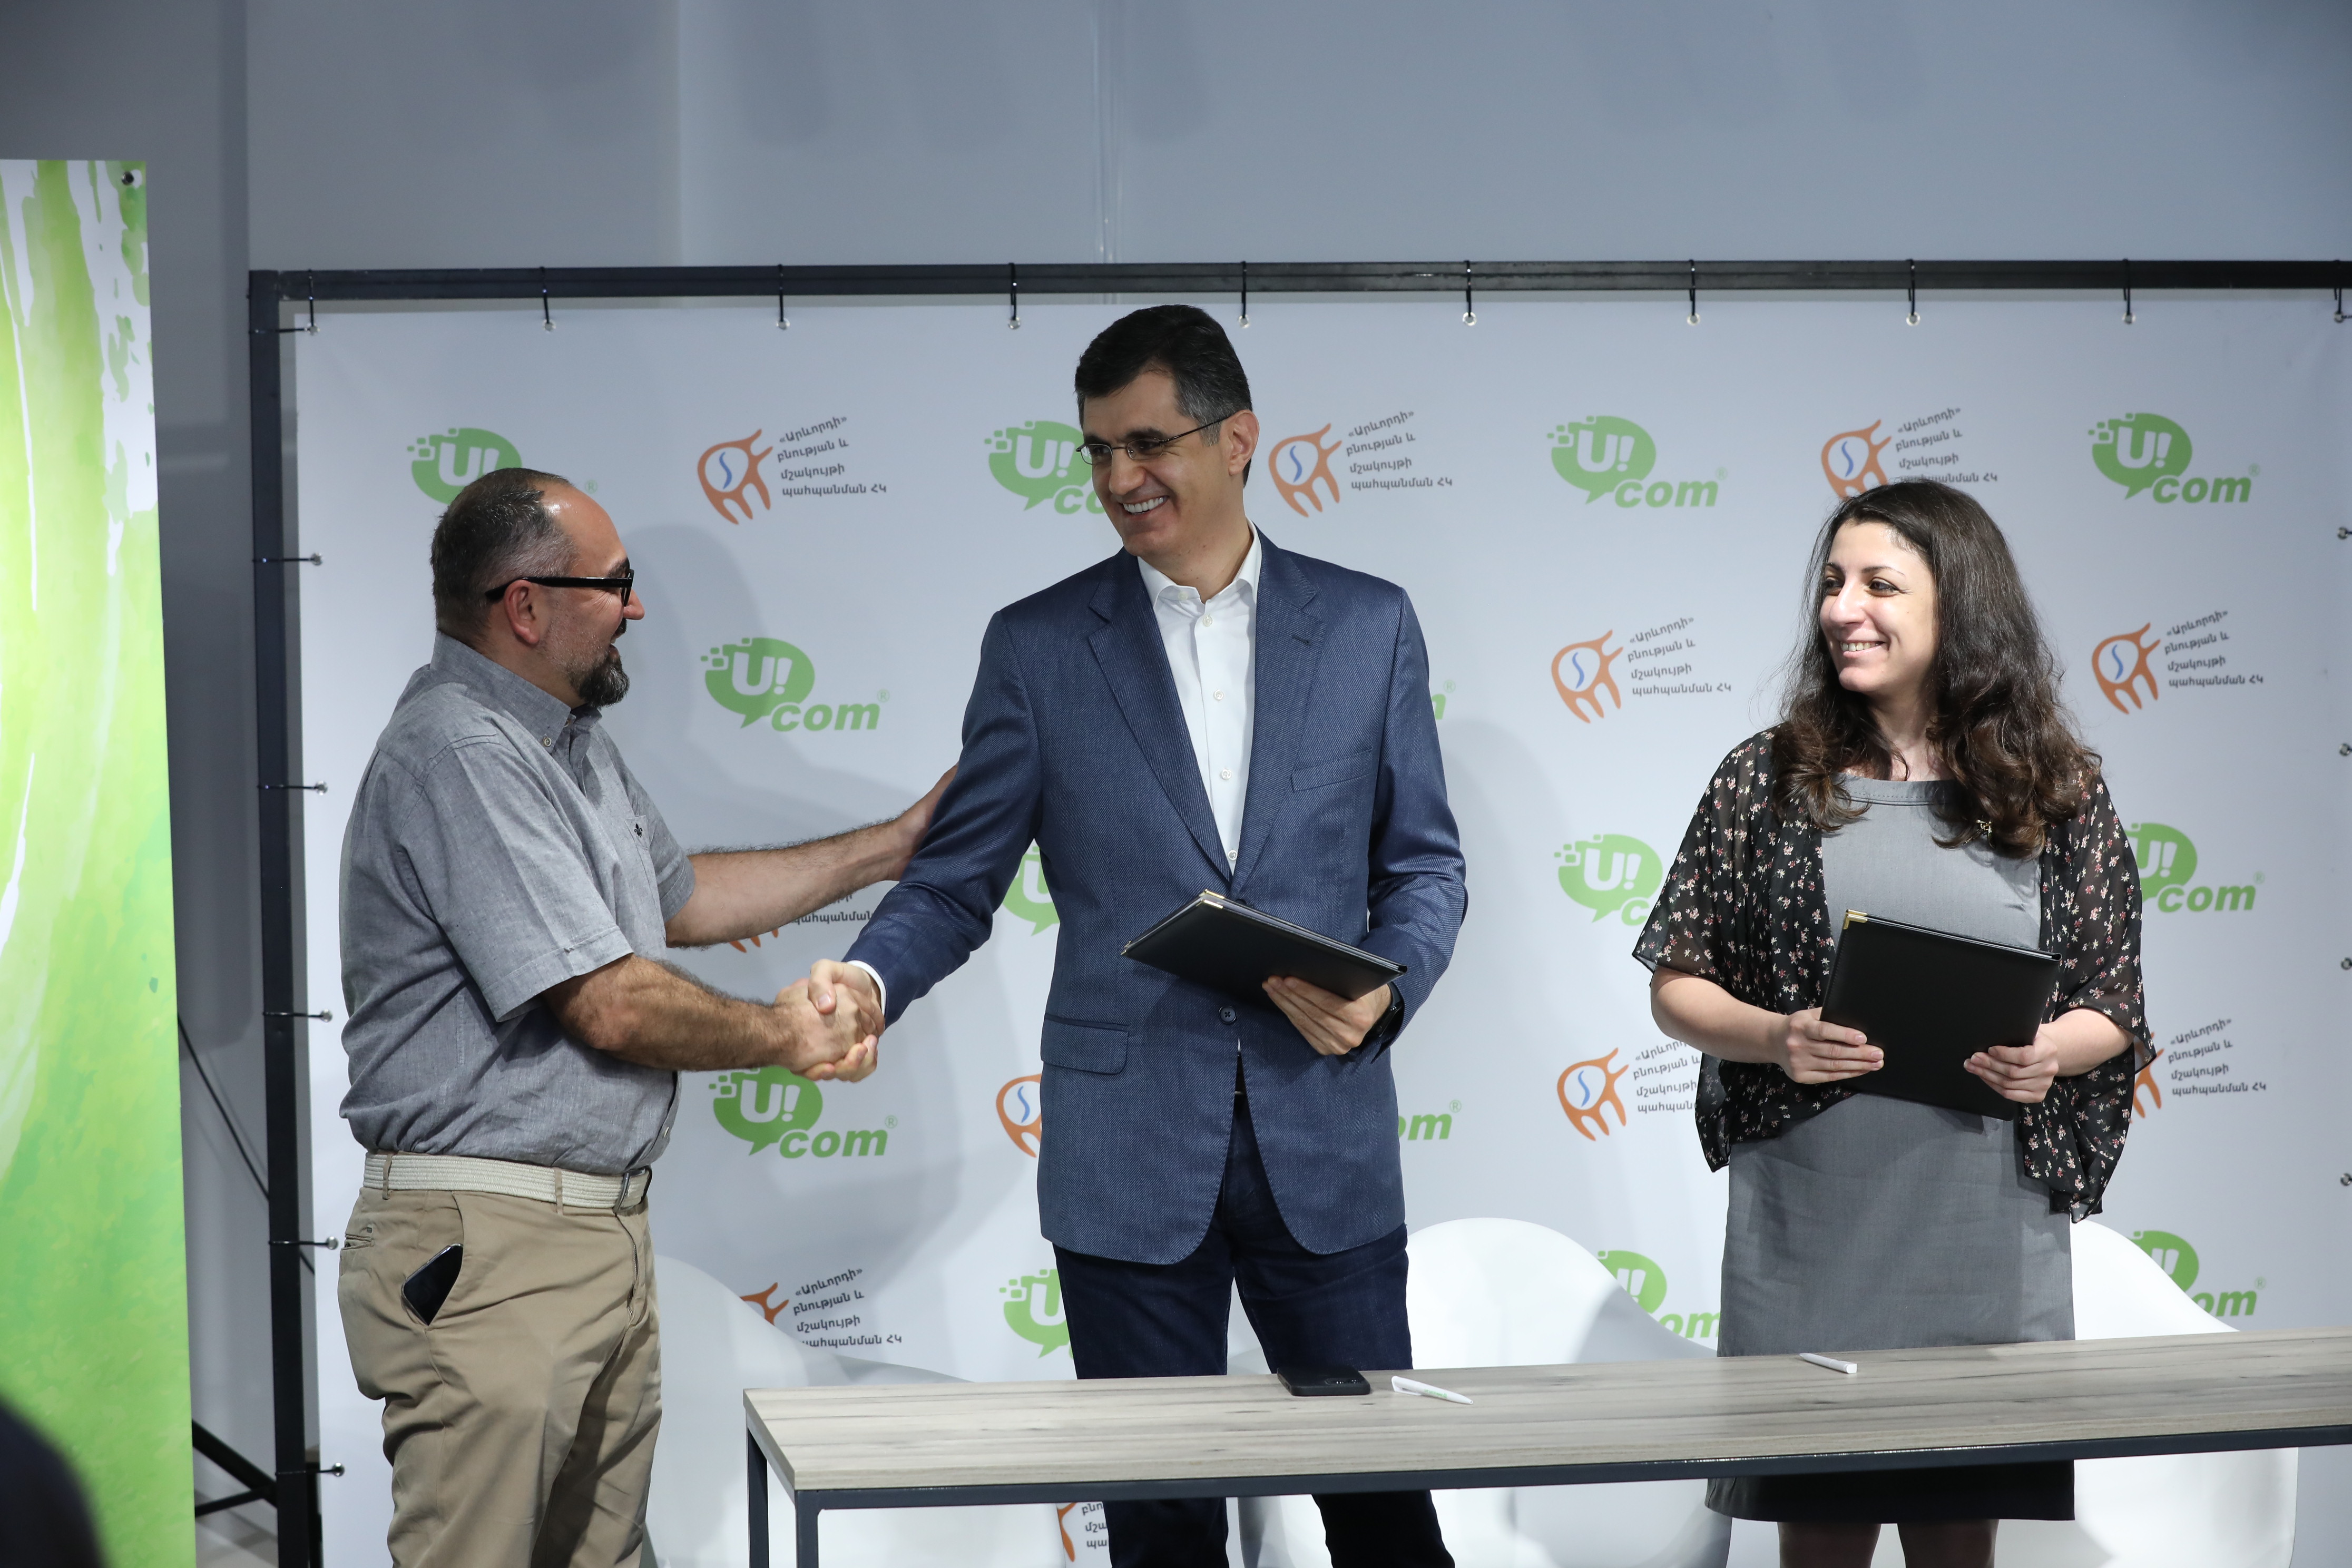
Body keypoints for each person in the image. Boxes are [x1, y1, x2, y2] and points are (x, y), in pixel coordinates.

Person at [806, 305, 1466, 1568]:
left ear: (1239, 440)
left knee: (1385, 1515)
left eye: (1148, 444)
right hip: (1125, 1160)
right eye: (1099, 451)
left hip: (1323, 1142)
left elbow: (1426, 866)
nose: (1119, 479)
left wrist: (1388, 992)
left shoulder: (1370, 625)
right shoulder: (1038, 647)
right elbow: (955, 882)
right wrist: (875, 981)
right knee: (1162, 1532)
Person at [336, 466, 948, 1567]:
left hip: (593, 1236)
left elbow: (688, 899)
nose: (637, 607)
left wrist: (892, 847)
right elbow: (610, 1004)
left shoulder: (567, 746)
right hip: (497, 1247)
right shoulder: (461, 752)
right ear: (527, 607)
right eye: (614, 584)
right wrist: (790, 1037)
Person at [1638, 479, 2147, 1568]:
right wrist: (1776, 1036)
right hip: (1811, 1224)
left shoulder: (2057, 789)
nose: (1843, 609)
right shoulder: (1764, 780)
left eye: (1879, 584)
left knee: (1959, 1542)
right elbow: (1676, 984)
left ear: (1959, 603)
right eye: (1832, 583)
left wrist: (2049, 1054)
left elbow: (2114, 1005)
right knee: (1818, 1539)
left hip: (1983, 1224)